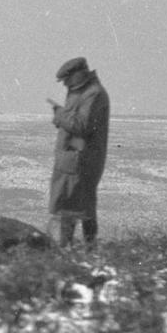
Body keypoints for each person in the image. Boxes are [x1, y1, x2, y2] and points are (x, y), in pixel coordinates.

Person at [47, 56, 109, 246]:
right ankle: (70, 248)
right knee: (69, 205)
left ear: (78, 74)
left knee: (81, 207)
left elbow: (82, 126)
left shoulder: (93, 94)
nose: (65, 84)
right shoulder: (80, 92)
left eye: (67, 79)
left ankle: (86, 249)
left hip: (82, 161)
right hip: (72, 159)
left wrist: (59, 115)